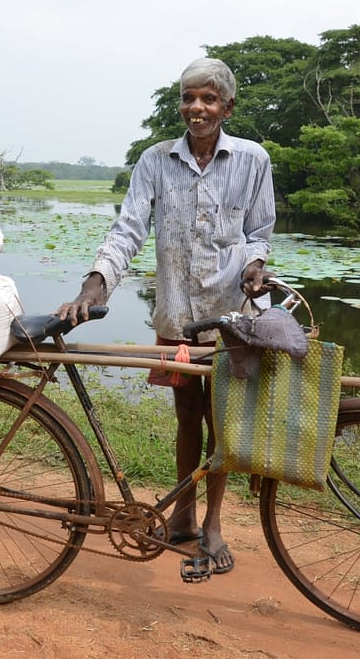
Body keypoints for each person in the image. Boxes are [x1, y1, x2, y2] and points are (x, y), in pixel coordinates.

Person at [56, 57, 276, 574]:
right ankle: (183, 516)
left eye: (207, 98)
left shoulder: (252, 159)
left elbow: (259, 232)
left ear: (227, 105)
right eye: (188, 98)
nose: (196, 108)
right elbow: (129, 228)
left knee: (222, 425)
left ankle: (214, 523)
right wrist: (95, 282)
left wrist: (255, 266)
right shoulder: (156, 160)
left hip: (233, 319)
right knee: (185, 418)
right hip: (176, 316)